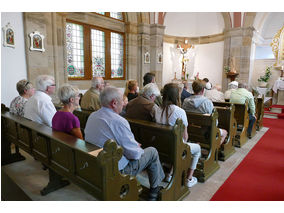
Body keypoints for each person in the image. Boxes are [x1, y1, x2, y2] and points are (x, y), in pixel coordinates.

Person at [84, 86, 165, 201]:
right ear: (114, 103)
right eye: (122, 101)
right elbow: (134, 155)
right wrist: (137, 148)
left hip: (96, 163)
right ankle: (154, 191)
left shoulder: (93, 116)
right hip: (116, 171)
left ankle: (155, 186)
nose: (124, 104)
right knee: (152, 152)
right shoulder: (118, 121)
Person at [153, 83, 201, 188]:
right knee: (197, 149)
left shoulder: (156, 109)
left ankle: (169, 174)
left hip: (160, 146)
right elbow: (185, 137)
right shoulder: (179, 111)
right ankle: (189, 179)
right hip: (174, 148)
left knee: (176, 143)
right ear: (176, 95)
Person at [182, 80, 227, 145]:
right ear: (203, 90)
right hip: (205, 133)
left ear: (193, 89)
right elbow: (215, 122)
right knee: (225, 132)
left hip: (190, 131)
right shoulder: (207, 102)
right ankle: (215, 150)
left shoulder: (186, 101)